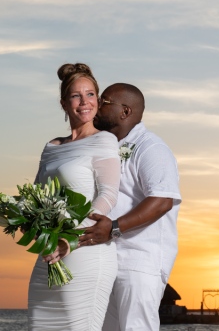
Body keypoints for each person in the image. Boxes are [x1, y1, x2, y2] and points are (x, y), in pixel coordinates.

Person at [78, 83, 181, 331]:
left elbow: (162, 200)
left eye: (104, 101)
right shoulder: (105, 146)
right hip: (107, 259)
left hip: (140, 261)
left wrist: (113, 228)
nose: (96, 105)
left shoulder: (151, 148)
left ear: (125, 112)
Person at [28, 63, 120, 331]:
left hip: (85, 252)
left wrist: (71, 238)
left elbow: (108, 194)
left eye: (90, 94)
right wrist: (39, 233)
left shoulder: (104, 140)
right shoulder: (51, 146)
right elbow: (36, 197)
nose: (84, 102)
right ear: (63, 103)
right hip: (49, 254)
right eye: (76, 96)